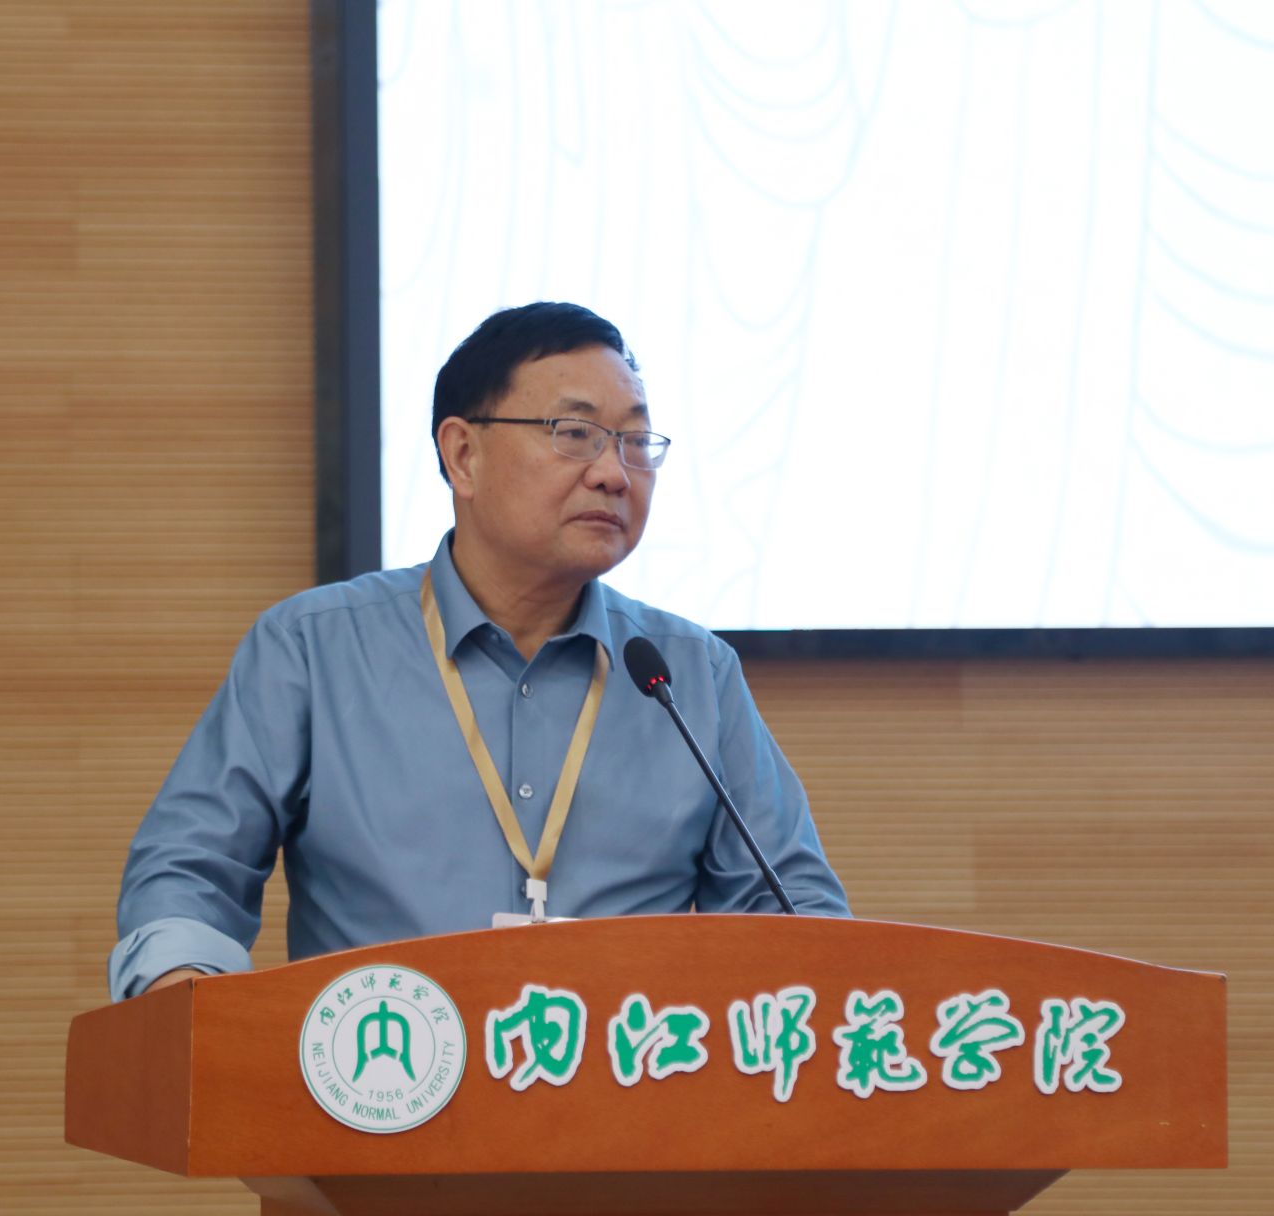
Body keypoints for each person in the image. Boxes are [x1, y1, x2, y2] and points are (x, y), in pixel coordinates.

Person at [108, 302, 848, 1000]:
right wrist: (183, 988)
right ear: (463, 454)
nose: (613, 473)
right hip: (383, 1078)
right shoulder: (311, 650)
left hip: (627, 1086)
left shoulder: (690, 675)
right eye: (575, 433)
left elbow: (796, 918)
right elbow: (188, 871)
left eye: (634, 441)